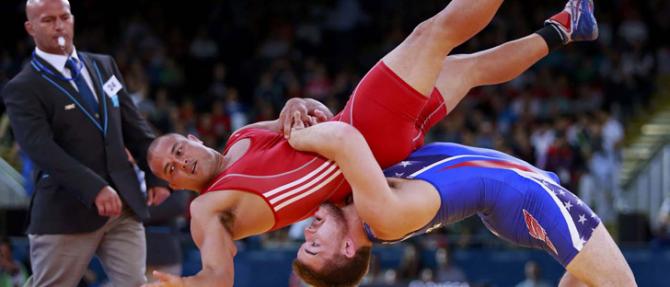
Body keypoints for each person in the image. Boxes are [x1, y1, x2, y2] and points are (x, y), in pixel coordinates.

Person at [144, 0, 597, 285]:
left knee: (468, 69)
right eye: (171, 171)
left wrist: (296, 101)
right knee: (434, 33)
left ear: (192, 138)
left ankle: (566, 23)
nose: (181, 164)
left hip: (370, 146)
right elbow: (219, 275)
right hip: (364, 130)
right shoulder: (207, 209)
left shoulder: (242, 137)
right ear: (177, 188)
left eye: (177, 151)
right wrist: (190, 284)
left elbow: (302, 121)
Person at [285, 119, 636, 286]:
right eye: (314, 246)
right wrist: (295, 134)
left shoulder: (354, 194)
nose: (308, 232)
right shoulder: (380, 214)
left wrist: (290, 110)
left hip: (513, 200)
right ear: (348, 248)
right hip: (527, 200)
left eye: (305, 243)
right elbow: (343, 138)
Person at [1, 0, 170, 286]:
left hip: (124, 204)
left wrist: (155, 171)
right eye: (47, 20)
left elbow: (133, 125)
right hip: (65, 212)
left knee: (135, 284)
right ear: (30, 28)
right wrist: (94, 188)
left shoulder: (103, 65)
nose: (58, 25)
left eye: (64, 17)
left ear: (73, 19)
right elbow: (41, 149)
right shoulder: (23, 87)